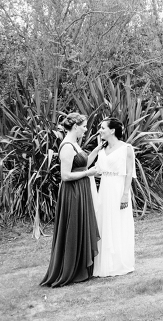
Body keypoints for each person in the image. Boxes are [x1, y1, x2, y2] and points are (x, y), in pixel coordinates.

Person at [41, 112, 104, 287]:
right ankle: (71, 269)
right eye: (84, 126)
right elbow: (65, 176)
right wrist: (88, 174)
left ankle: (79, 267)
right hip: (73, 192)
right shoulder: (67, 147)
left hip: (81, 189)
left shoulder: (75, 144)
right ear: (75, 127)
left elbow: (83, 163)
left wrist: (97, 151)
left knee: (80, 226)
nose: (86, 129)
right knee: (73, 227)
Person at [92, 117, 136, 277]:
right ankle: (104, 264)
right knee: (103, 223)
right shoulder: (102, 149)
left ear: (112, 130)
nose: (100, 131)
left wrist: (125, 194)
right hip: (104, 189)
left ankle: (118, 263)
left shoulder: (127, 148)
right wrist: (96, 149)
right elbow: (92, 166)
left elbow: (129, 172)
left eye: (103, 128)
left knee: (118, 223)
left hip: (118, 189)